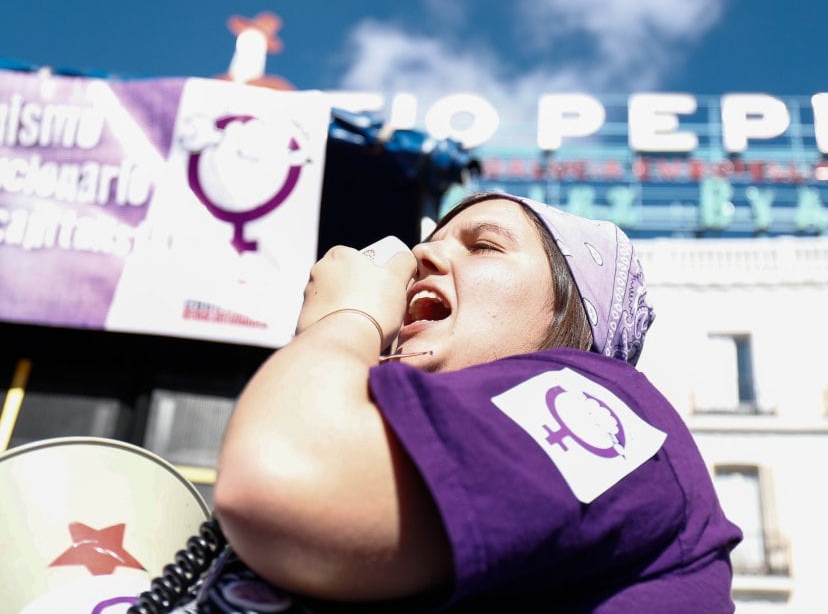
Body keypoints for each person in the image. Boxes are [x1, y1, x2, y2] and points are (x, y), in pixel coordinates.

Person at [200, 193, 741, 613]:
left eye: (483, 246)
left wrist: (345, 318)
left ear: (572, 317)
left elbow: (283, 482)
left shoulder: (606, 400)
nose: (421, 256)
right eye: (426, 246)